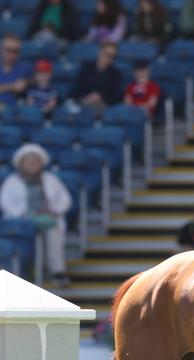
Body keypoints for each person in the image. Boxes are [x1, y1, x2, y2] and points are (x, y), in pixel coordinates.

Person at [0, 144, 72, 287]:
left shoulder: (50, 179)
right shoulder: (12, 181)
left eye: (35, 160)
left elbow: (65, 199)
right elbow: (4, 201)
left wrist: (55, 210)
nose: (32, 164)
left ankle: (57, 270)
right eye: (28, 161)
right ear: (21, 163)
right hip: (21, 220)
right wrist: (21, 214)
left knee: (52, 226)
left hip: (47, 218)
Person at [71, 41, 122, 113]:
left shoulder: (116, 74)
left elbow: (116, 96)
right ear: (100, 52)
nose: (109, 58)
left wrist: (101, 97)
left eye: (113, 56)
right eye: (107, 54)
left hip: (103, 106)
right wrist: (87, 98)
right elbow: (77, 89)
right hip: (83, 103)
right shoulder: (86, 67)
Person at [0, 34, 30, 110]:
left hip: (14, 111)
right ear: (1, 49)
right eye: (8, 50)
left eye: (15, 51)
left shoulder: (24, 67)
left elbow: (36, 79)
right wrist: (12, 86)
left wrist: (26, 82)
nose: (11, 54)